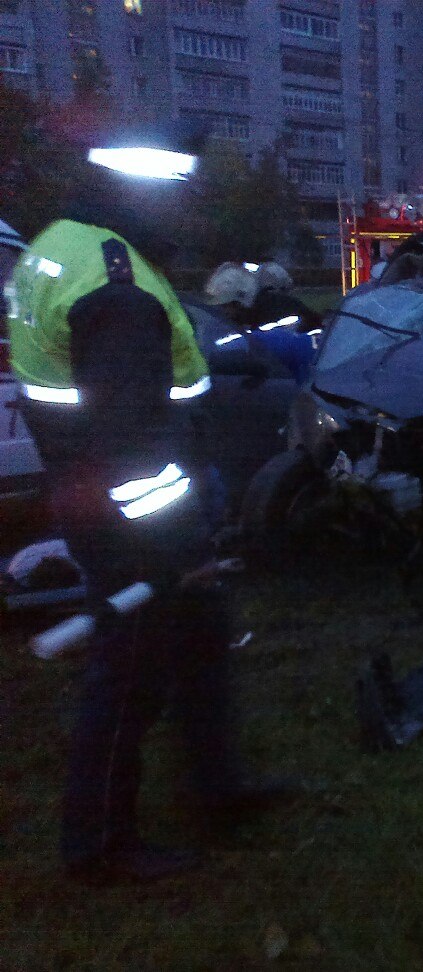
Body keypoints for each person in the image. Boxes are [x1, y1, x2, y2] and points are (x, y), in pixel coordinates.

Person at [7, 127, 286, 885]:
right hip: (132, 514)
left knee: (198, 642)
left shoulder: (56, 246)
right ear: (141, 194)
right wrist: (178, 549)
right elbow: (135, 448)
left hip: (91, 492)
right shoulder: (116, 284)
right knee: (130, 668)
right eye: (176, 194)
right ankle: (96, 845)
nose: (188, 211)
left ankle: (219, 791)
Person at [203, 260, 320, 384]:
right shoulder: (244, 317)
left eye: (227, 306)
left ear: (241, 301)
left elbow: (259, 346)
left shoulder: (277, 312)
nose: (224, 312)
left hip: (297, 380)